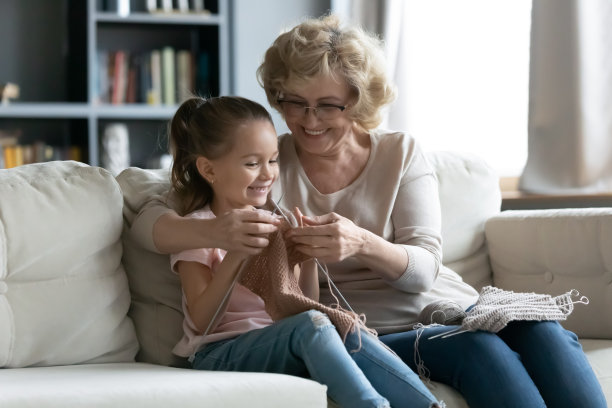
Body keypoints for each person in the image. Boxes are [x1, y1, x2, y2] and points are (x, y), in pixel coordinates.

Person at [132, 15, 606, 408]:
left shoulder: (399, 153)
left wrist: (361, 242)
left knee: (543, 332)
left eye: (328, 106)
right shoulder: (265, 166)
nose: (309, 121)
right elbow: (153, 218)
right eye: (294, 103)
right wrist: (221, 230)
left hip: (449, 304)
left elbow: (424, 268)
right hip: (378, 328)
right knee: (482, 352)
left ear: (360, 100)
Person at [163, 95, 444, 408]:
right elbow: (202, 322)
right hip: (219, 353)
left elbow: (302, 304)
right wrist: (237, 254)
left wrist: (308, 257)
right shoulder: (199, 228)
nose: (267, 174)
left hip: (283, 341)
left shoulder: (276, 222)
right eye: (252, 163)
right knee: (314, 325)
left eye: (272, 160)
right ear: (209, 170)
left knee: (340, 323)